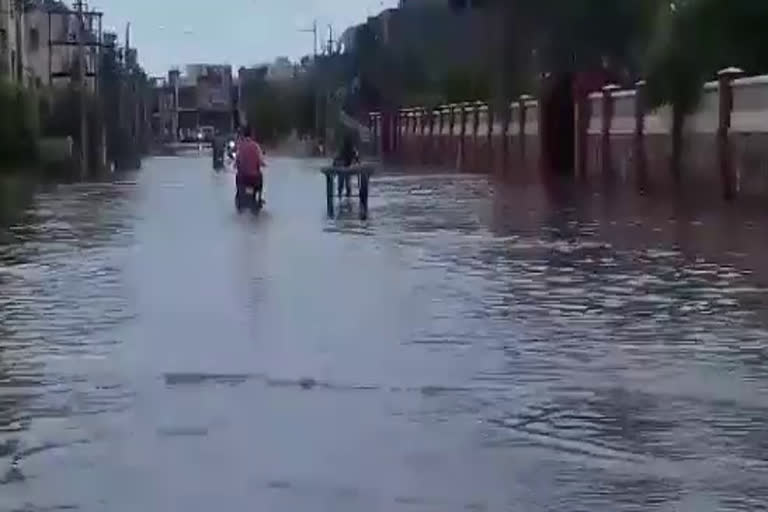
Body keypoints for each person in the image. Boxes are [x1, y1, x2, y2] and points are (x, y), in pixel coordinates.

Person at [235, 124, 266, 203]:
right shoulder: (256, 146)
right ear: (252, 134)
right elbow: (260, 160)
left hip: (243, 177)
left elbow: (237, 159)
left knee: (238, 179)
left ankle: (239, 196)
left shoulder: (240, 146)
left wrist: (236, 165)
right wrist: (263, 164)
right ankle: (259, 197)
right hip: (254, 177)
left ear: (243, 134)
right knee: (260, 177)